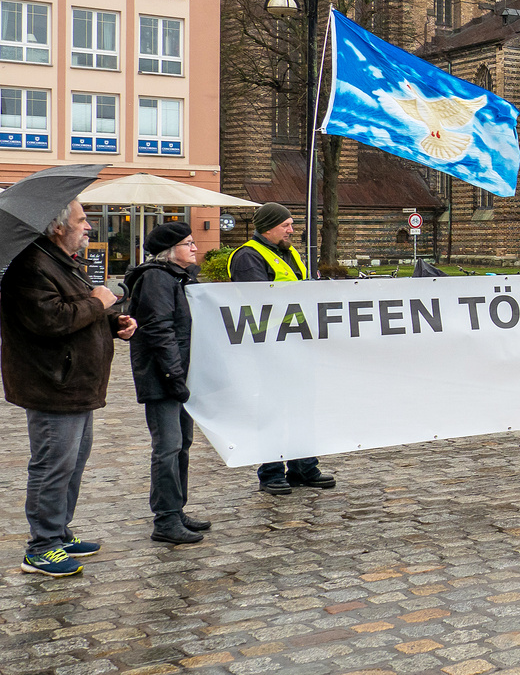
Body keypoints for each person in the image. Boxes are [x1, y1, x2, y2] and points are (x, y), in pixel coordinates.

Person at [1, 199, 134, 577]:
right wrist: (98, 300)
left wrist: (114, 322)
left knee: (72, 464)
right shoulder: (31, 268)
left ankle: (58, 534)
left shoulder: (61, 263)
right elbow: (52, 321)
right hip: (52, 385)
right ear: (57, 227)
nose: (89, 227)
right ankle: (41, 548)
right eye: (82, 220)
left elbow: (82, 312)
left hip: (75, 384)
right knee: (52, 467)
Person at [230, 202, 336, 495]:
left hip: (298, 343)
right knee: (273, 409)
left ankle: (304, 466)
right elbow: (258, 301)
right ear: (268, 227)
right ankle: (271, 472)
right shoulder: (248, 257)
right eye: (286, 225)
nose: (291, 229)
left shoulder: (288, 253)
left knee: (303, 406)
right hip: (269, 346)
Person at [126, 221, 210, 545]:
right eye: (188, 243)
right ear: (169, 250)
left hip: (177, 376)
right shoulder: (156, 279)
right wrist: (173, 376)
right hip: (162, 377)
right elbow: (160, 331)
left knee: (182, 444)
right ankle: (165, 519)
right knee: (168, 446)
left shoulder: (178, 278)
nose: (195, 248)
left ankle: (177, 509)